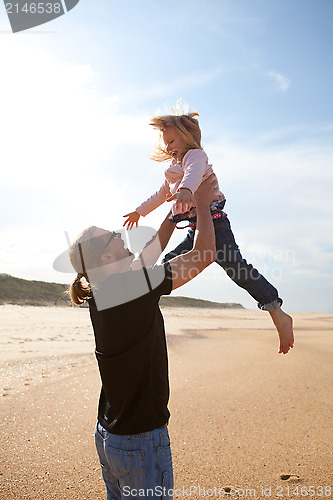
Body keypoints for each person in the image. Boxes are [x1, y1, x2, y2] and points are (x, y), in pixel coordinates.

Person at [68, 175, 219, 500]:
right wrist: (203, 202)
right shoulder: (129, 289)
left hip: (110, 435)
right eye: (111, 237)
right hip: (139, 440)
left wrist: (175, 211)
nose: (120, 235)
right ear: (106, 259)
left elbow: (148, 255)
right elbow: (204, 254)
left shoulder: (103, 289)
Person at [123, 109, 294, 355]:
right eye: (165, 142)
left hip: (215, 224)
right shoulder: (173, 168)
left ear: (187, 137)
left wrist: (186, 191)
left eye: (171, 141)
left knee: (237, 269)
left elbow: (192, 177)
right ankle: (144, 305)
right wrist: (140, 212)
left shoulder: (195, 156)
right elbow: (160, 195)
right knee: (169, 262)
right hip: (196, 228)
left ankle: (277, 312)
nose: (168, 147)